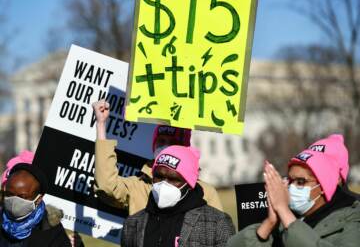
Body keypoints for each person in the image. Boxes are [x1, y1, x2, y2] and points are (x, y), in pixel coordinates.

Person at [92, 100, 223, 215]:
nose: (165, 147)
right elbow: (106, 187)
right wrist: (101, 124)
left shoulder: (205, 192)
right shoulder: (139, 187)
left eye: (172, 143)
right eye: (161, 141)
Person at [227, 138, 360, 247]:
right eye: (290, 180)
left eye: (301, 182)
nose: (292, 187)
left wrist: (286, 214)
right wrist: (269, 223)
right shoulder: (285, 216)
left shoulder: (354, 216)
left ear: (326, 183)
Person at [121, 145, 235, 246]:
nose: (164, 184)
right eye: (159, 176)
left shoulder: (217, 222)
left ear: (189, 183)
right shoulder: (132, 223)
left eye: (173, 179)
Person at [0, 163, 71, 246]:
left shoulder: (52, 232)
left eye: (22, 197)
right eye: (9, 194)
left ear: (38, 199)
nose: (14, 201)